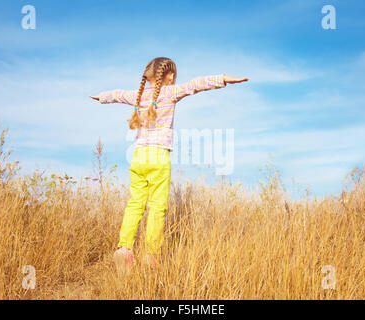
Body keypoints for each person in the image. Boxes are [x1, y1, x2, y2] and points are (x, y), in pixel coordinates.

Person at [90, 57, 248, 273]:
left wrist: (101, 97)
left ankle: (124, 248)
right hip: (158, 157)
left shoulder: (138, 97)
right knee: (157, 207)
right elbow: (197, 84)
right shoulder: (171, 93)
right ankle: (151, 255)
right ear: (170, 76)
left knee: (135, 203)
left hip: (137, 157)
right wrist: (224, 79)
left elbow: (117, 94)